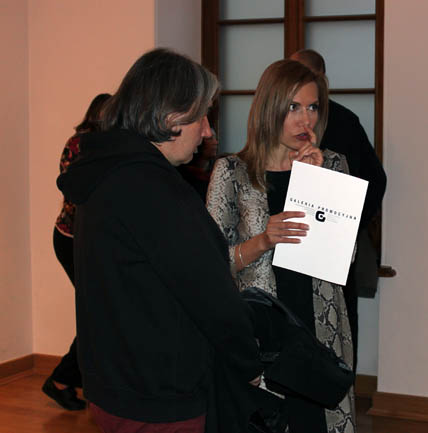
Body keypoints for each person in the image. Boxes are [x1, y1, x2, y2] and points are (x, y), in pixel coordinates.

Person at [56, 48, 262, 432]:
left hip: (114, 386)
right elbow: (211, 296)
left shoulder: (106, 172)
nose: (207, 131)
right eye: (202, 116)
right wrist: (249, 362)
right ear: (171, 117)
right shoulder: (155, 191)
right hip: (159, 395)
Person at [206, 59, 356, 433]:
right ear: (270, 108)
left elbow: (346, 256)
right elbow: (209, 265)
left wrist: (316, 183)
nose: (306, 120)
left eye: (313, 107)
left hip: (318, 324)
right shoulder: (232, 172)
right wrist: (262, 241)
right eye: (293, 107)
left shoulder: (332, 165)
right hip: (262, 331)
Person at [290, 49, 387, 372]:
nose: (305, 117)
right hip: (293, 236)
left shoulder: (344, 121)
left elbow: (375, 179)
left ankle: (341, 384)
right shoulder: (281, 124)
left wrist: (351, 224)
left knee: (339, 319)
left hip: (335, 242)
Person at [42, 92, 111, 411]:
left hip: (87, 238)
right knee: (96, 312)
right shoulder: (80, 144)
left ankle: (66, 379)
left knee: (99, 312)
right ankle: (60, 379)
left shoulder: (103, 145)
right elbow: (73, 188)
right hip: (71, 238)